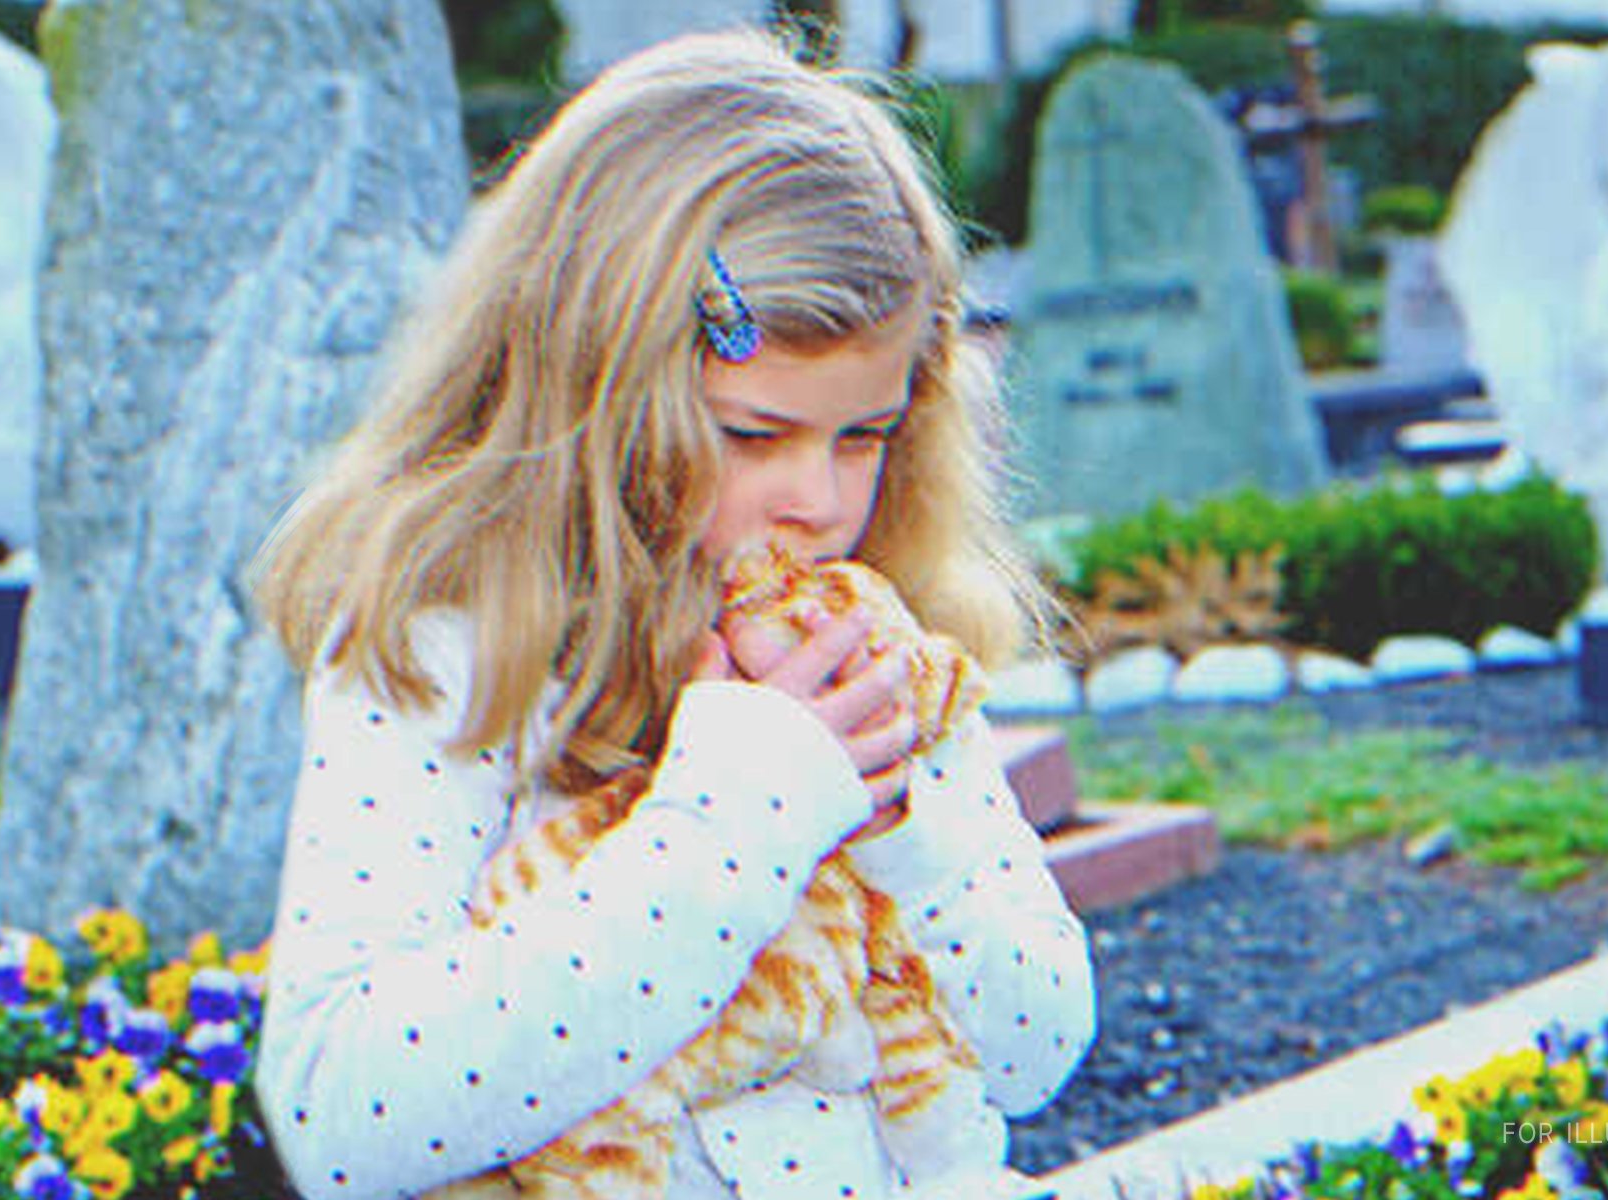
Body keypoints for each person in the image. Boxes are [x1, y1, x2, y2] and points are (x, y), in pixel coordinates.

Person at [247, 28, 1095, 1200]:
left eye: (866, 435)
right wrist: (736, 815)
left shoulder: (876, 648)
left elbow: (1035, 1057)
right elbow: (341, 1118)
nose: (818, 500)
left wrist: (911, 832)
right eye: (751, 434)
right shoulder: (457, 644)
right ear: (595, 386)